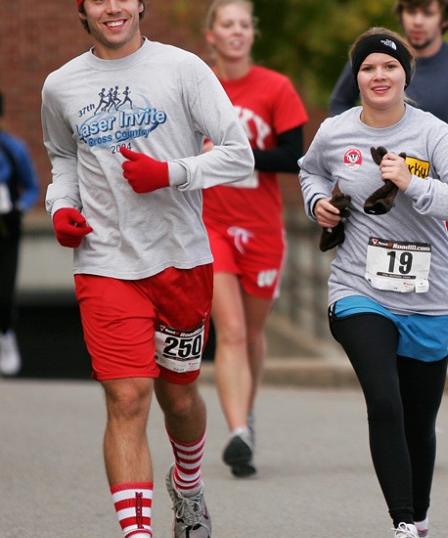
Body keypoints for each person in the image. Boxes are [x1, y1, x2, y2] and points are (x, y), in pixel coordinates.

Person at [42, 1, 254, 536]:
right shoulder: (60, 85)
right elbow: (62, 159)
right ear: (82, 9)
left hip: (180, 260)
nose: (112, 7)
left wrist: (171, 172)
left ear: (141, 5)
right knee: (127, 396)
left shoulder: (183, 68)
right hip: (105, 261)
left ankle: (187, 487)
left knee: (178, 397)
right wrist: (61, 207)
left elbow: (240, 154)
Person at [300, 28, 448, 538]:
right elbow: (309, 170)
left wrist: (415, 184)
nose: (378, 76)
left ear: (406, 73)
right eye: (367, 68)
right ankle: (403, 523)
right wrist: (316, 203)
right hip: (359, 287)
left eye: (389, 67)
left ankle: (420, 518)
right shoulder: (335, 132)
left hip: (430, 300)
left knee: (418, 422)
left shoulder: (434, 135)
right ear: (356, 78)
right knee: (384, 401)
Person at [201, 0, 309, 479]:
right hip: (212, 224)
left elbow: (293, 157)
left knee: (254, 332)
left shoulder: (275, 88)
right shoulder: (196, 86)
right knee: (231, 331)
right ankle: (238, 430)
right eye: (227, 24)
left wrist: (234, 155)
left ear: (252, 34)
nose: (237, 32)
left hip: (263, 228)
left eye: (244, 24)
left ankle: (248, 408)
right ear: (212, 35)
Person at [328, 0, 448, 270]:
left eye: (427, 13)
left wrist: (437, 151)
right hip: (372, 187)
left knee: (433, 276)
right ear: (401, 15)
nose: (418, 21)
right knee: (363, 274)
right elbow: (338, 106)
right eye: (411, 12)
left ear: (442, 17)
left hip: (434, 192)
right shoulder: (375, 58)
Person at [0, 89, 40, 377]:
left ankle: (5, 335)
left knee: (4, 290)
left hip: (5, 229)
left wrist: (19, 208)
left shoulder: (13, 149)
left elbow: (32, 187)